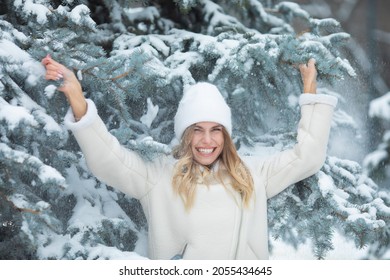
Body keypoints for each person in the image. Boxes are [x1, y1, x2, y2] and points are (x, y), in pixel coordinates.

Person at [42, 55, 337, 259]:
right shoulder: (158, 176)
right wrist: (77, 99)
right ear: (185, 134)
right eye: (197, 130)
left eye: (215, 130)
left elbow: (307, 156)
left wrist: (310, 89)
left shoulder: (252, 173)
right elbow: (108, 160)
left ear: (226, 135)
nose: (207, 141)